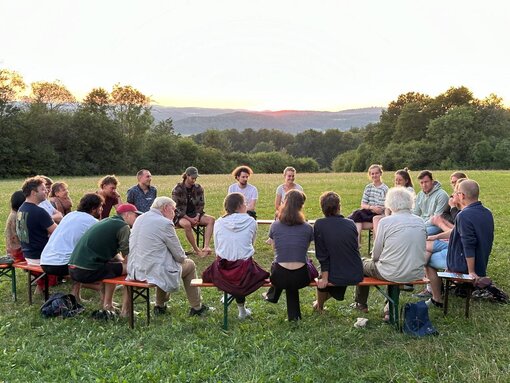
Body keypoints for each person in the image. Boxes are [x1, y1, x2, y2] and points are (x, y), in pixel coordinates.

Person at [127, 197, 209, 316]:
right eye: (173, 209)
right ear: (165, 208)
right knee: (189, 264)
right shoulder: (164, 223)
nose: (174, 213)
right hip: (151, 272)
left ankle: (160, 306)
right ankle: (197, 307)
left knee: (164, 264)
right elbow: (180, 256)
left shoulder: (140, 218)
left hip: (134, 270)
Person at [354, 187, 426, 317]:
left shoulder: (385, 222)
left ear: (389, 203)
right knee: (394, 264)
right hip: (416, 272)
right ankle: (388, 307)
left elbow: (376, 254)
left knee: (362, 264)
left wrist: (375, 260)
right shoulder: (420, 221)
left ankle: (361, 303)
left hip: (392, 271)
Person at [425, 180, 494, 308]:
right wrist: (435, 236)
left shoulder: (463, 215)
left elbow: (469, 245)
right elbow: (456, 232)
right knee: (432, 248)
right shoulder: (487, 212)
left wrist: (471, 271)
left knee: (428, 261)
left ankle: (437, 298)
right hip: (481, 260)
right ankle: (439, 289)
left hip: (464, 264)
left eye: (457, 193)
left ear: (462, 195)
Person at [202, 193, 269, 320]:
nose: (246, 205)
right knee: (248, 270)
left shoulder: (219, 222)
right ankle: (241, 310)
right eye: (244, 203)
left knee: (228, 268)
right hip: (243, 270)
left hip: (223, 269)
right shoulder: (251, 221)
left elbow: (218, 248)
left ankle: (236, 304)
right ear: (239, 206)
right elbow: (251, 244)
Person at [69, 203, 141, 315]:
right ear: (127, 215)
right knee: (131, 269)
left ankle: (107, 303)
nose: (137, 219)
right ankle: (125, 311)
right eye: (136, 216)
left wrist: (121, 262)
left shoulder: (107, 221)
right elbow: (128, 254)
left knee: (114, 267)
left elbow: (113, 253)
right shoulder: (123, 226)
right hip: (87, 270)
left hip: (73, 268)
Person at [41, 193, 104, 300]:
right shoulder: (92, 222)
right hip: (62, 265)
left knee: (76, 255)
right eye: (100, 207)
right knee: (102, 260)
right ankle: (105, 297)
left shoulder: (70, 215)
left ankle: (76, 295)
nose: (101, 209)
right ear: (94, 209)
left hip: (45, 261)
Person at [267, 190, 314, 321]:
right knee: (293, 274)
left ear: (284, 203)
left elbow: (275, 249)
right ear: (301, 206)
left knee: (279, 267)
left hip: (279, 277)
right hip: (302, 277)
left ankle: (272, 296)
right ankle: (294, 317)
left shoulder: (275, 225)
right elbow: (303, 248)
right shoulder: (308, 228)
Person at [313, 192, 363, 312]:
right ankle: (318, 305)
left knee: (322, 278)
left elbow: (322, 255)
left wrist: (324, 277)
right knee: (335, 269)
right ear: (339, 207)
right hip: (356, 271)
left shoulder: (319, 224)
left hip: (338, 274)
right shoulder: (350, 223)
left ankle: (319, 307)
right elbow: (355, 246)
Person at [16, 176, 58, 293]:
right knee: (75, 258)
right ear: (34, 193)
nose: (46, 191)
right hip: (41, 257)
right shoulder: (39, 212)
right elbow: (58, 233)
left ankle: (40, 288)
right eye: (43, 189)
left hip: (28, 254)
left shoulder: (21, 208)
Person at [172, 166, 215, 257]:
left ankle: (206, 247)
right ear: (187, 176)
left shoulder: (198, 188)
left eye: (195, 178)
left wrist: (197, 216)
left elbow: (201, 204)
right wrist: (190, 219)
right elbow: (176, 208)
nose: (194, 180)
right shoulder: (178, 189)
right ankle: (196, 249)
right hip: (181, 215)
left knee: (211, 220)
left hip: (195, 214)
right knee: (187, 224)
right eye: (192, 178)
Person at [348, 164, 389, 245]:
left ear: (380, 173)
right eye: (372, 174)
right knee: (357, 216)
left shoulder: (385, 189)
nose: (374, 175)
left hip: (378, 214)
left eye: (376, 173)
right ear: (370, 175)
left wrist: (374, 208)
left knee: (356, 216)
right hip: (368, 211)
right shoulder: (368, 187)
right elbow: (363, 204)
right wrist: (371, 207)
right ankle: (357, 243)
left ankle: (356, 243)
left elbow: (382, 207)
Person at [373, 168, 415, 237]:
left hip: (403, 216)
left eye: (400, 180)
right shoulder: (393, 191)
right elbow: (387, 207)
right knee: (376, 219)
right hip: (392, 215)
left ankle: (383, 240)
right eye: (396, 180)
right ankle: (378, 240)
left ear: (406, 181)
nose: (397, 182)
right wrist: (387, 217)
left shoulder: (408, 191)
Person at [412, 170, 449, 235]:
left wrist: (420, 225)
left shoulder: (442, 195)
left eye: (426, 182)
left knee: (418, 234)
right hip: (422, 223)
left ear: (432, 181)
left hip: (437, 225)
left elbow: (437, 217)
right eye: (421, 183)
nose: (424, 185)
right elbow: (416, 213)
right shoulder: (420, 194)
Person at [4, 190, 26, 263]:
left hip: (12, 250)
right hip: (18, 252)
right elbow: (24, 237)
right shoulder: (18, 216)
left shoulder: (13, 213)